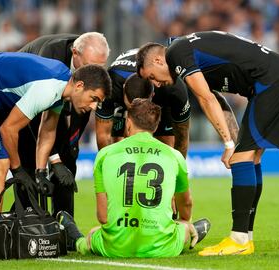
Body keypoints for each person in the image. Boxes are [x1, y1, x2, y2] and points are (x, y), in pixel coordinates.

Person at [137, 31, 279, 256]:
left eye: (151, 77)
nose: (156, 84)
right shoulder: (188, 51)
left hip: (270, 82)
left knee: (241, 158)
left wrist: (228, 144)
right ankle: (246, 238)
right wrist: (233, 138)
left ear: (158, 60)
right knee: (251, 158)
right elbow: (218, 99)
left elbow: (206, 99)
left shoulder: (176, 53)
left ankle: (239, 239)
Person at [0, 52, 111, 256]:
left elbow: (47, 131)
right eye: (93, 98)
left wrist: (40, 172)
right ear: (79, 86)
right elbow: (8, 130)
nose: (93, 107)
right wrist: (18, 170)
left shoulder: (61, 86)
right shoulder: (48, 89)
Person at [57, 98, 211, 257]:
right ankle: (193, 231)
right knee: (184, 228)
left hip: (116, 248)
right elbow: (186, 203)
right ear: (156, 126)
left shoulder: (105, 154)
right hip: (163, 248)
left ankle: (76, 240)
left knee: (93, 234)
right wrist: (184, 222)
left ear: (128, 122)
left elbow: (103, 217)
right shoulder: (174, 155)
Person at [0, 32, 110, 217]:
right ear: (75, 53)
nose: (95, 73)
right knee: (29, 159)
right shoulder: (51, 57)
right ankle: (29, 219)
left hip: (49, 106)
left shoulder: (88, 71)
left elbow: (82, 109)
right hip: (17, 105)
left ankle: (65, 224)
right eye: (90, 66)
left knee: (68, 159)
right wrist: (53, 158)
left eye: (100, 67)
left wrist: (69, 151)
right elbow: (38, 115)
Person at [96, 48, 238, 158]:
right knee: (117, 142)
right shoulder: (110, 84)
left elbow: (182, 137)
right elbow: (103, 136)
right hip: (122, 86)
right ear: (123, 92)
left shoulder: (173, 88)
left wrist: (177, 175)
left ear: (152, 95)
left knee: (168, 144)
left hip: (162, 98)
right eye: (131, 109)